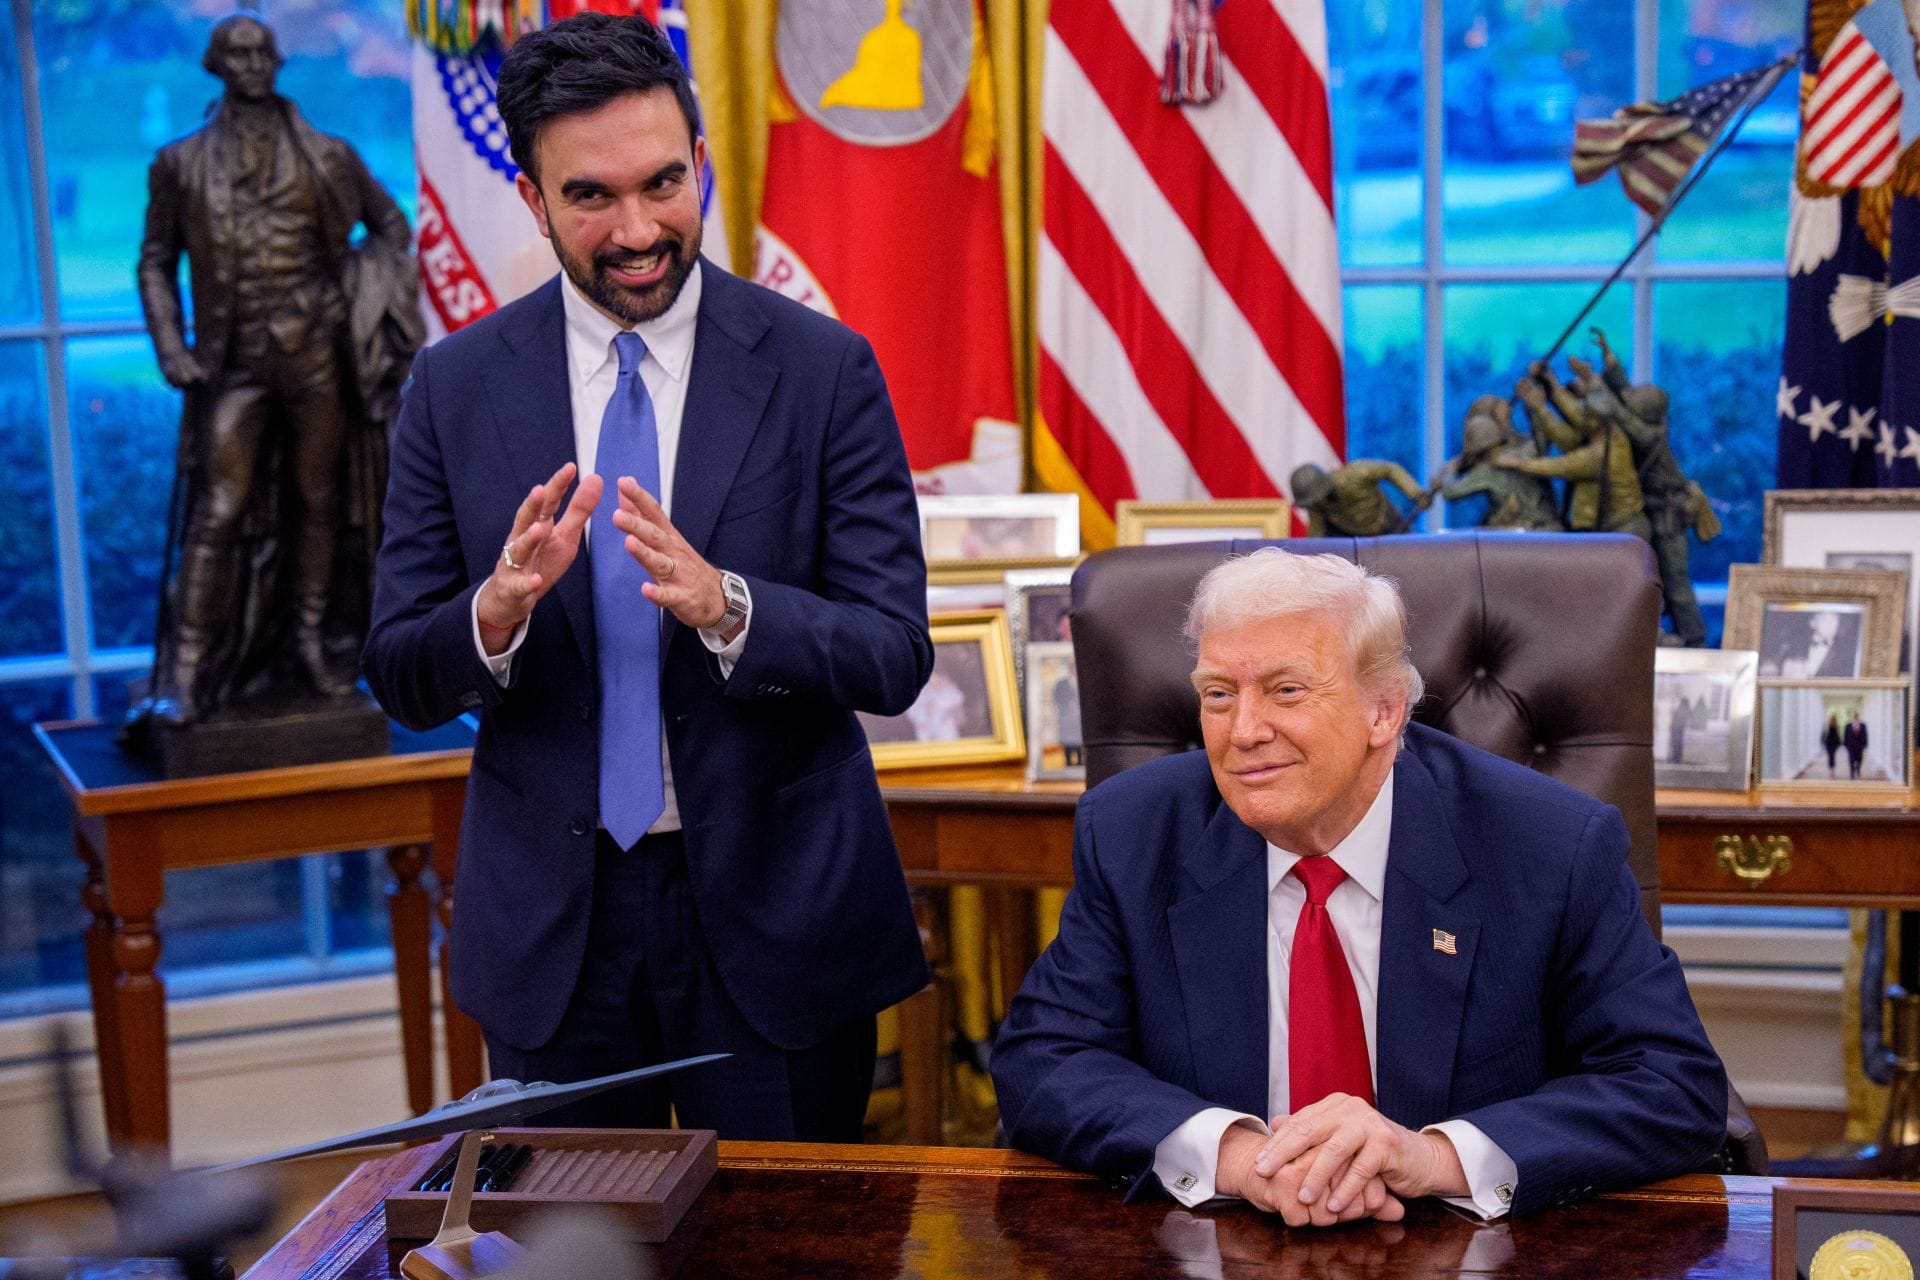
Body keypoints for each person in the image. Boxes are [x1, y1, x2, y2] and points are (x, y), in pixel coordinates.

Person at [361, 12, 933, 1141]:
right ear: (531, 199)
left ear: (703, 161)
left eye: (665, 184)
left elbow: (893, 650)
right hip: (553, 936)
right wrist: (494, 610)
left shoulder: (824, 369)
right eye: (591, 198)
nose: (638, 229)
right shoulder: (455, 386)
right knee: (572, 1256)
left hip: (779, 917)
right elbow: (397, 667)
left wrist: (732, 606)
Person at [990, 548, 1726, 1224]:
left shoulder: (1549, 845)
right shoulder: (1134, 833)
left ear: (1384, 710)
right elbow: (1043, 1060)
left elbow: (1671, 1085)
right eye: (1218, 694)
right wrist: (1242, 1160)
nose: (1243, 730)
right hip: (1215, 1243)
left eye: (1285, 690)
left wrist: (1431, 1158)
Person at [135, 13, 417, 725]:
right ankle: (191, 671)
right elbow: (156, 262)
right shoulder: (180, 162)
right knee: (220, 510)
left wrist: (358, 298)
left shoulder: (329, 155)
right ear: (216, 64)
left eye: (263, 51)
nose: (254, 63)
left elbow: (391, 228)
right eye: (240, 52)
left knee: (318, 503)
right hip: (232, 366)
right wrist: (171, 346)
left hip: (317, 360)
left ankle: (314, 645)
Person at [1764, 609, 1856, 679]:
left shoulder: (1847, 653)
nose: (1832, 624)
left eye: (1835, 619)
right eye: (1825, 619)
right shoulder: (1794, 645)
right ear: (1812, 623)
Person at [1845, 711, 1870, 780]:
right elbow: (1845, 736)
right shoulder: (1848, 726)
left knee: (1860, 759)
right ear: (1852, 717)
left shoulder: (1863, 726)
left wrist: (1865, 744)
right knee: (1851, 760)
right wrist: (1846, 745)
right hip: (1851, 746)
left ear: (1858, 717)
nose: (1855, 717)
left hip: (1860, 746)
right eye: (1854, 716)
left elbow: (1865, 735)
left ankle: (1858, 769)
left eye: (1856, 716)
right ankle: (1852, 773)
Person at [1670, 694, 1694, 765]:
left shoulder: (1681, 707)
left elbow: (1676, 717)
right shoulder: (1687, 708)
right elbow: (1690, 716)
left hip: (1676, 727)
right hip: (1680, 727)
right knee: (1679, 743)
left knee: (1676, 743)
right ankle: (1678, 758)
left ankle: (1676, 759)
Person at [1823, 714, 1842, 778]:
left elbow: (1837, 736)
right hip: (1830, 744)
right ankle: (1831, 771)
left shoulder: (1836, 726)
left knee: (1831, 757)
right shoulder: (1827, 726)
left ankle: (1832, 771)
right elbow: (1824, 735)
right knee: (1831, 757)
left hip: (1832, 744)